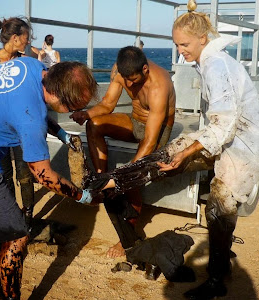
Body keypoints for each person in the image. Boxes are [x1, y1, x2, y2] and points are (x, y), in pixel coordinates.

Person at [91, 1, 259, 298]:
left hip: (242, 145)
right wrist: (178, 153)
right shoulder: (205, 60)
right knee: (162, 159)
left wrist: (186, 154)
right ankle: (115, 183)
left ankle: (216, 279)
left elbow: (224, 126)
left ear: (202, 39)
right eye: (176, 45)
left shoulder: (216, 65)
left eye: (184, 44)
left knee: (219, 204)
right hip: (221, 136)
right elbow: (216, 129)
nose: (180, 51)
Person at [0, 58, 99, 300]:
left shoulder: (32, 66)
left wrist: (60, 132)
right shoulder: (30, 119)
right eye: (74, 108)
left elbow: (29, 102)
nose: (74, 112)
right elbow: (43, 175)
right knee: (17, 236)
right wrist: (81, 196)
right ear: (58, 99)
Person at [0, 17, 73, 239]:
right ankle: (7, 221)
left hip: (21, 133)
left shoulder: (26, 61)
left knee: (25, 177)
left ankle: (26, 222)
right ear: (15, 38)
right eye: (27, 38)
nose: (29, 42)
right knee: (3, 176)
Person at [70, 46, 176, 258]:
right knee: (94, 124)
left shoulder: (159, 86)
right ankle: (102, 181)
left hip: (157, 129)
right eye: (125, 79)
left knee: (131, 178)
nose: (128, 84)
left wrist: (125, 174)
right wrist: (86, 114)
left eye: (134, 80)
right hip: (136, 120)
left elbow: (149, 140)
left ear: (145, 69)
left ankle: (128, 236)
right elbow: (108, 104)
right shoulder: (123, 72)